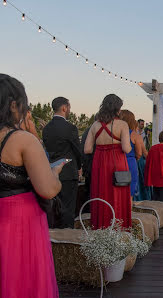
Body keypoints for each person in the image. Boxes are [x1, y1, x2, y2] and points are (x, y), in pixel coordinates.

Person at [0, 74, 62, 297]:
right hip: (19, 223)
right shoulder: (21, 139)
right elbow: (47, 189)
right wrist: (54, 172)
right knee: (22, 281)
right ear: (13, 104)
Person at [84, 94, 132, 229]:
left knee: (101, 192)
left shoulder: (95, 125)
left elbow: (87, 149)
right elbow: (126, 149)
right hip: (117, 161)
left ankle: (101, 225)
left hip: (99, 162)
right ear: (117, 108)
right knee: (118, 193)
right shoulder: (122, 124)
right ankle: (118, 226)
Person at [43, 96, 82, 228]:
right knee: (68, 208)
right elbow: (78, 150)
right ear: (64, 108)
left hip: (51, 171)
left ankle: (54, 238)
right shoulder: (70, 128)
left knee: (54, 208)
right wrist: (80, 165)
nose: (69, 110)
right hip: (68, 171)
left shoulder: (46, 128)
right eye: (69, 107)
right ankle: (66, 238)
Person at [120, 110, 143, 200]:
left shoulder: (116, 133)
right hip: (130, 163)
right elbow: (139, 153)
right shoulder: (135, 135)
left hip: (117, 162)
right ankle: (128, 213)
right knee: (129, 192)